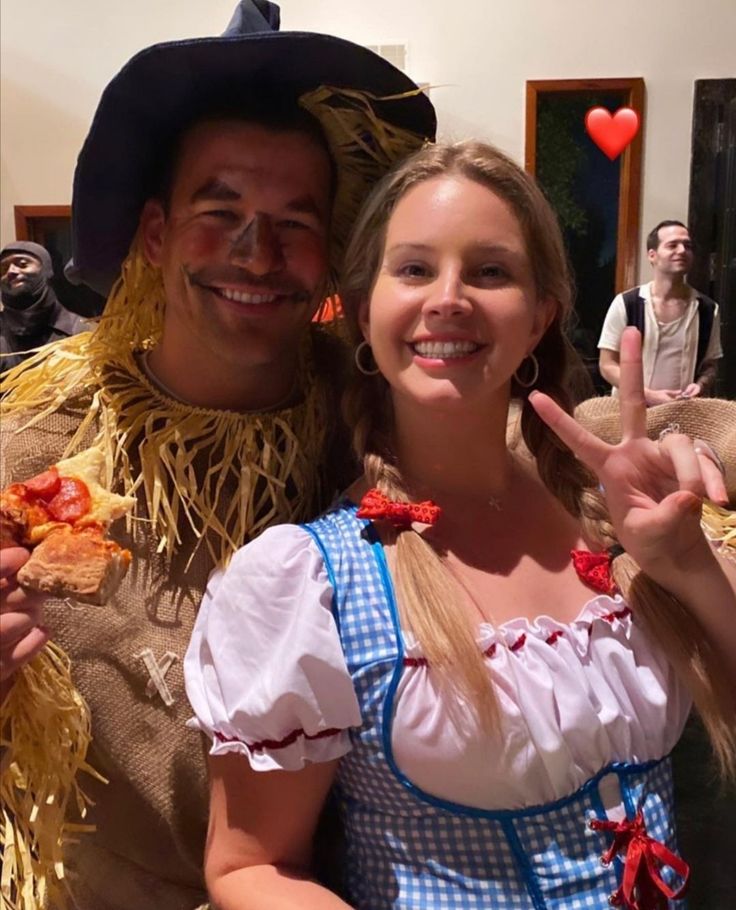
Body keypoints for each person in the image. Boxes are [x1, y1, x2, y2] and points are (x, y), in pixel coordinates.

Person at [185, 141, 736, 909]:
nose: (449, 297)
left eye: (490, 271)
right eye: (413, 269)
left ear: (541, 312)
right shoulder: (306, 582)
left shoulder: (615, 518)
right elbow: (250, 866)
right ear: (365, 308)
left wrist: (686, 563)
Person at [0, 2, 435, 908]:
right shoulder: (36, 440)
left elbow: (557, 431)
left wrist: (696, 445)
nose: (257, 252)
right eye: (221, 209)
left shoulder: (376, 410)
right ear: (154, 236)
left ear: (329, 256)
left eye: (294, 222)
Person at [598, 220, 723, 406]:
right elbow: (607, 364)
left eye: (687, 246)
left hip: (679, 415)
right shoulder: (627, 304)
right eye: (672, 245)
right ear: (652, 255)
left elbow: (710, 366)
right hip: (627, 415)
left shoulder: (707, 309)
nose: (681, 250)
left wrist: (700, 385)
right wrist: (646, 394)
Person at [1, 240, 89, 370]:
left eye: (23, 264)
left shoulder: (82, 332)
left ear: (46, 270)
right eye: (3, 269)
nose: (11, 271)